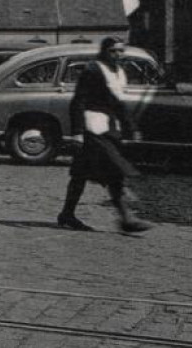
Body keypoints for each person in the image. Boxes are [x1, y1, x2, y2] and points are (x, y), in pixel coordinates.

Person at [58, 37, 150, 234]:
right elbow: (78, 101)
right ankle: (126, 218)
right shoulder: (93, 70)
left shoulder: (119, 73)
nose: (117, 55)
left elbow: (118, 103)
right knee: (115, 168)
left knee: (81, 172)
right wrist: (77, 132)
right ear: (104, 51)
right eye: (113, 51)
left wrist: (130, 127)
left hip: (108, 126)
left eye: (120, 51)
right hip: (92, 127)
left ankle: (67, 213)